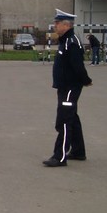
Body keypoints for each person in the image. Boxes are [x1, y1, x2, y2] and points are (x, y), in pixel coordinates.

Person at [43, 9, 93, 167]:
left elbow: (78, 66)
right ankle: (78, 151)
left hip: (70, 87)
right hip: (64, 87)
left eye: (57, 23)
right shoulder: (65, 41)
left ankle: (59, 157)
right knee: (72, 118)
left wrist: (86, 80)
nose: (55, 26)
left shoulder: (72, 42)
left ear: (66, 25)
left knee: (64, 120)